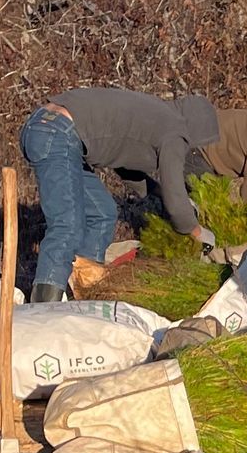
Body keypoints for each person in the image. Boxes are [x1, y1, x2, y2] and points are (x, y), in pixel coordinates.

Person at [20, 86, 221, 300]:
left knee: (101, 213)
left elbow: (130, 171)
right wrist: (196, 231)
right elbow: (175, 198)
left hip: (51, 129)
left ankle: (83, 289)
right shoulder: (175, 131)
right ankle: (44, 307)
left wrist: (163, 198)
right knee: (67, 225)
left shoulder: (157, 117)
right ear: (197, 129)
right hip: (58, 132)